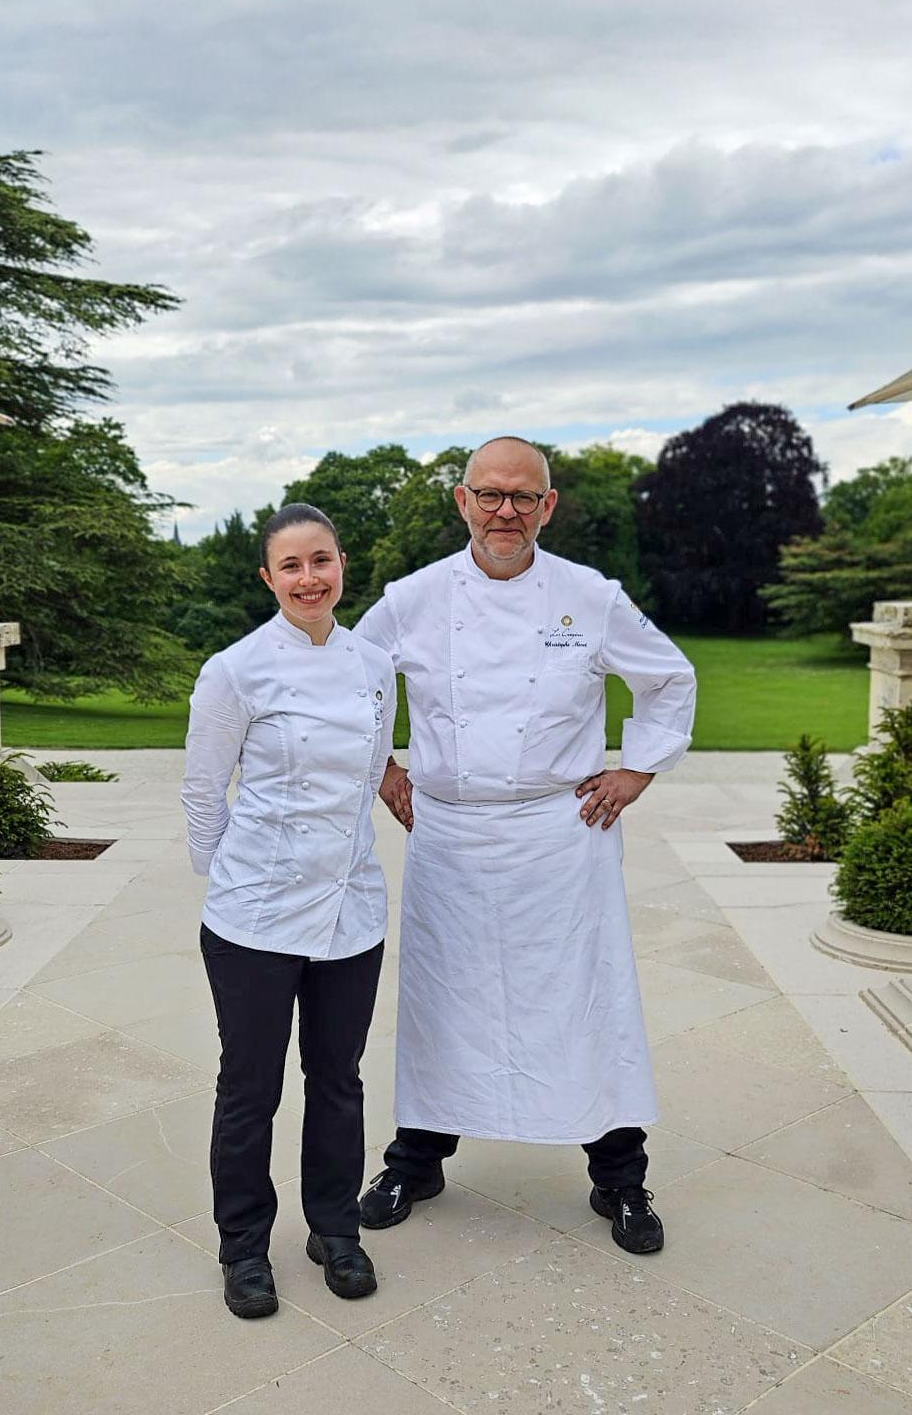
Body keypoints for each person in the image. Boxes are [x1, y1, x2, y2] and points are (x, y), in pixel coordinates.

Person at [354, 436, 696, 1255]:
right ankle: (417, 1161)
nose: (504, 510)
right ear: (462, 502)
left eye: (522, 497)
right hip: (450, 833)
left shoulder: (591, 595)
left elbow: (669, 678)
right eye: (489, 494)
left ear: (548, 507)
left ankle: (619, 1179)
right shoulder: (412, 596)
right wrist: (382, 767)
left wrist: (636, 771)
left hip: (559, 832)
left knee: (587, 1000)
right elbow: (350, 679)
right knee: (443, 1002)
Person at [181, 503, 396, 1318]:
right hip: (253, 922)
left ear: (343, 565)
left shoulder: (374, 665)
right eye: (292, 566)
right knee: (249, 1088)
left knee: (337, 1080)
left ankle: (335, 1230)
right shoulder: (234, 670)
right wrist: (238, 876)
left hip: (351, 910)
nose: (310, 578)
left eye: (322, 561)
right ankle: (243, 1248)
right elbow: (204, 793)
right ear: (268, 578)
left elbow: (371, 769)